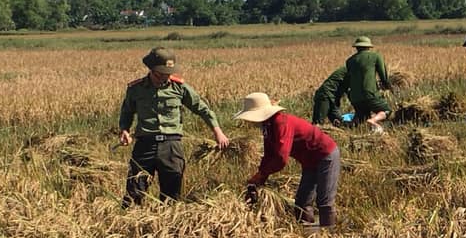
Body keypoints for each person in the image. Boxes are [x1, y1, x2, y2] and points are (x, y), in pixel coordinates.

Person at [118, 47, 230, 207]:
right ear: (152, 70)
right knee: (134, 191)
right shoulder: (136, 89)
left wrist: (218, 132)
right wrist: (124, 130)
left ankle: (168, 227)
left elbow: (202, 109)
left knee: (172, 195)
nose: (165, 77)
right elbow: (127, 113)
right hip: (145, 145)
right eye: (161, 74)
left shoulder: (180, 88)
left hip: (171, 145)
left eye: (168, 73)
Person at [234, 92, 340, 228]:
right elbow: (269, 155)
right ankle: (307, 236)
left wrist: (262, 174)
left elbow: (280, 158)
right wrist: (260, 178)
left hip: (326, 155)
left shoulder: (280, 122)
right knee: (302, 202)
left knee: (324, 201)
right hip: (309, 161)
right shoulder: (268, 126)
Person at [345, 36, 392, 133]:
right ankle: (373, 120)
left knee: (361, 117)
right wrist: (388, 87)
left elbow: (349, 78)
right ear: (369, 47)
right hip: (369, 93)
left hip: (354, 96)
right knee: (386, 110)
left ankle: (345, 126)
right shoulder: (375, 56)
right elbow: (383, 76)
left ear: (357, 47)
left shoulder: (349, 61)